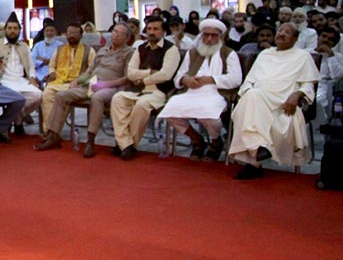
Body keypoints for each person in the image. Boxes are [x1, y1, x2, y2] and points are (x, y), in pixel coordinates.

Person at [227, 22, 320, 179]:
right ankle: (258, 149)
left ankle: (254, 159)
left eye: (287, 32)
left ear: (295, 38)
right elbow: (248, 82)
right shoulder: (265, 54)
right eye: (280, 30)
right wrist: (248, 92)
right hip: (258, 99)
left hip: (283, 102)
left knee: (249, 103)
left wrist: (297, 95)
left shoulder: (303, 56)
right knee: (250, 96)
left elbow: (308, 84)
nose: (282, 34)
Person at [34, 22, 133, 155]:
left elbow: (127, 78)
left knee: (97, 98)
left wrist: (105, 85)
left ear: (127, 38)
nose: (115, 35)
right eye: (114, 31)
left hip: (110, 86)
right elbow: (89, 71)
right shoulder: (103, 50)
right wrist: (77, 80)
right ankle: (53, 136)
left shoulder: (130, 53)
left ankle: (90, 141)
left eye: (120, 34)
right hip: (90, 83)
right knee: (61, 95)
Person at [157, 19, 242, 162]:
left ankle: (216, 142)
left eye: (214, 35)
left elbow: (236, 79)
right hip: (191, 92)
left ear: (220, 37)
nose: (209, 39)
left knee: (209, 114)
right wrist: (185, 80)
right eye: (206, 35)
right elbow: (179, 75)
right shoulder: (193, 53)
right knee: (170, 110)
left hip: (216, 93)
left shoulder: (229, 54)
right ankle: (197, 140)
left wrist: (212, 79)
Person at [109, 15, 181, 160]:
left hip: (159, 91)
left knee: (141, 106)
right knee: (117, 99)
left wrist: (143, 80)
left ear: (163, 32)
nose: (151, 32)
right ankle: (126, 144)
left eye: (156, 29)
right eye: (149, 29)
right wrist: (149, 73)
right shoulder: (141, 48)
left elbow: (165, 75)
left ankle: (129, 145)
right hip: (138, 90)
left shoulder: (171, 50)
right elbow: (130, 72)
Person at [0, 12, 42, 132]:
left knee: (37, 95)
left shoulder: (24, 46)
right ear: (5, 30)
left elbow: (31, 65)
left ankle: (15, 119)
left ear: (19, 30)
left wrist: (32, 77)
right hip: (3, 81)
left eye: (15, 28)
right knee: (17, 97)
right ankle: (17, 123)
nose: (12, 31)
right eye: (9, 28)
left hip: (21, 80)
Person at [39, 23, 95, 132]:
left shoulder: (89, 50)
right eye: (69, 33)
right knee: (47, 94)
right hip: (58, 81)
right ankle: (48, 130)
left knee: (62, 98)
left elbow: (92, 70)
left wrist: (80, 80)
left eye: (75, 33)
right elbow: (52, 65)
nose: (72, 35)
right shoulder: (59, 49)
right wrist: (52, 73)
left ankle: (54, 131)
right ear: (66, 35)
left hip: (76, 85)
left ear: (80, 35)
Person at [30, 19, 63, 84]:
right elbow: (32, 60)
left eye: (51, 31)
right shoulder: (38, 45)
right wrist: (42, 62)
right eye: (47, 31)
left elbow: (61, 61)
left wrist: (46, 60)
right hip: (38, 73)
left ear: (55, 33)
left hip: (53, 73)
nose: (49, 33)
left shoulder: (60, 45)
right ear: (44, 33)